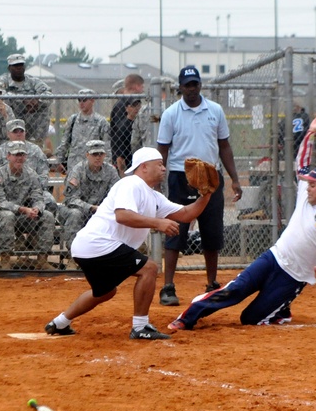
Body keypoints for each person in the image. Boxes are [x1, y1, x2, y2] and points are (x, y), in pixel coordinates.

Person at [168, 114, 316, 331]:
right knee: (234, 290)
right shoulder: (306, 193)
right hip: (274, 257)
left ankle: (281, 308)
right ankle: (186, 318)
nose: (307, 187)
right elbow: (301, 162)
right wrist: (311, 132)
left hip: (295, 277)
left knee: (250, 319)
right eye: (308, 184)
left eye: (313, 185)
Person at [43, 146, 213, 340]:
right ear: (144, 167)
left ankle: (60, 322)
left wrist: (206, 195)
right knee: (149, 268)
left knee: (105, 292)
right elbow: (122, 215)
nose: (164, 168)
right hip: (99, 244)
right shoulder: (131, 183)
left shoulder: (153, 196)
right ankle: (140, 327)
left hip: (89, 248)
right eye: (159, 164)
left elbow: (186, 214)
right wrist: (158, 222)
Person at [157, 65, 243, 305]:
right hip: (181, 177)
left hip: (211, 176)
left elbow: (224, 146)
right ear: (180, 87)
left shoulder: (214, 110)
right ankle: (168, 287)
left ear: (200, 85)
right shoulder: (171, 114)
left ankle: (212, 284)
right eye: (187, 85)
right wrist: (157, 180)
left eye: (195, 84)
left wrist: (235, 179)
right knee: (176, 229)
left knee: (211, 231)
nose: (191, 89)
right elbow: (162, 149)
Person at [0, 140, 56, 270]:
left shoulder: (31, 174)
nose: (19, 158)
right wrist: (22, 209)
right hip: (0, 217)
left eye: (22, 155)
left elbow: (38, 196)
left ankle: (42, 260)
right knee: (7, 215)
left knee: (47, 216)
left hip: (25, 216)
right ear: (8, 156)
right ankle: (5, 261)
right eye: (16, 155)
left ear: (26, 157)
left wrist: (37, 208)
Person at [57, 140, 120, 249]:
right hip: (77, 209)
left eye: (101, 154)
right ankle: (74, 252)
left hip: (102, 209)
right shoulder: (78, 170)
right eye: (94, 154)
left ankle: (111, 250)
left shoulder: (111, 171)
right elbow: (70, 199)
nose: (98, 157)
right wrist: (90, 207)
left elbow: (117, 194)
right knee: (75, 214)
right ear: (87, 155)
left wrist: (105, 208)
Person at [0, 53, 52, 145]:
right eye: (15, 65)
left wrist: (37, 101)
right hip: (11, 115)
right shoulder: (3, 80)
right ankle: (9, 138)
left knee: (45, 108)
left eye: (21, 65)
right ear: (9, 68)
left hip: (31, 117)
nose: (19, 68)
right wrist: (23, 101)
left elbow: (48, 94)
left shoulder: (33, 81)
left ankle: (37, 141)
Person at [55, 89, 112, 174]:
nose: (81, 103)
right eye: (79, 100)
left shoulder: (101, 122)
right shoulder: (73, 120)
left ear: (92, 100)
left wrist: (106, 165)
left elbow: (106, 147)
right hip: (74, 167)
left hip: (93, 168)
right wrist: (59, 160)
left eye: (84, 100)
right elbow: (64, 142)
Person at [111, 73, 148, 176]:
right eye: (142, 86)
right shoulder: (121, 105)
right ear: (136, 86)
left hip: (134, 156)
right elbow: (119, 135)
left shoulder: (134, 101)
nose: (143, 89)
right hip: (124, 158)